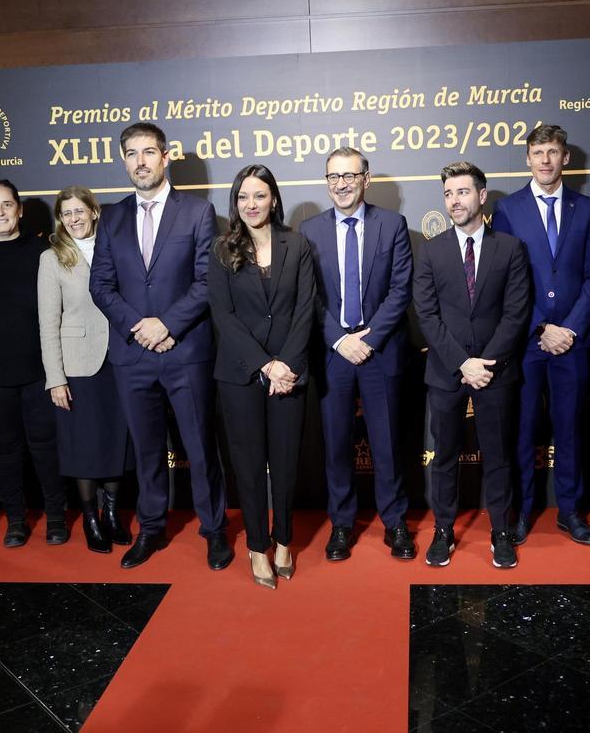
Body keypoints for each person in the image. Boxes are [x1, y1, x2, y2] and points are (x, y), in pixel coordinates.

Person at [89, 123, 232, 570]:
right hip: (133, 355)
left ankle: (214, 532)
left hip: (185, 350)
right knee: (147, 448)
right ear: (124, 160)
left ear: (165, 156)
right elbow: (101, 285)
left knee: (199, 445)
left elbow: (209, 281)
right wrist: (139, 327)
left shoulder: (197, 212)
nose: (140, 162)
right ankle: (151, 529)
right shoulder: (110, 217)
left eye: (148, 152)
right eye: (131, 154)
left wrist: (167, 324)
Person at [490, 124, 590, 546]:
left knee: (571, 428)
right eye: (538, 152)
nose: (545, 159)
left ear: (565, 157)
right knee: (522, 428)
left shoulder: (587, 209)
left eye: (553, 151)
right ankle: (520, 511)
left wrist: (569, 328)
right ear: (527, 158)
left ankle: (570, 511)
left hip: (573, 341)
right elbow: (503, 278)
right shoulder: (508, 209)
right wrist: (540, 325)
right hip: (525, 340)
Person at [301, 147, 415, 562]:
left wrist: (370, 338)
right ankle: (342, 523)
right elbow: (308, 295)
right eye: (333, 177)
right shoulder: (309, 230)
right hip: (333, 352)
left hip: (380, 350)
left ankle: (395, 522)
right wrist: (338, 339)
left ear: (365, 178)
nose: (342, 184)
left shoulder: (393, 224)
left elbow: (401, 289)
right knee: (335, 444)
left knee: (386, 443)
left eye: (350, 175)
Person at [414, 162, 530, 569]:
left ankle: (501, 532)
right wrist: (463, 363)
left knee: (498, 456)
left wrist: (485, 364)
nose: (454, 201)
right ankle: (443, 531)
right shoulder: (431, 251)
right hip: (447, 372)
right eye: (448, 194)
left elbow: (516, 314)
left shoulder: (510, 249)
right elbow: (427, 316)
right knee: (444, 455)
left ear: (482, 196)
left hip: (496, 373)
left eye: (462, 192)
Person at [208, 165, 316, 589]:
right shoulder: (221, 249)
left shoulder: (298, 244)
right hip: (240, 376)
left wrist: (286, 365)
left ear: (273, 199)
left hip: (290, 374)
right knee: (250, 466)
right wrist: (265, 364)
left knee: (286, 465)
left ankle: (284, 540)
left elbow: (305, 308)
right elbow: (224, 316)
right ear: (235, 204)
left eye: (259, 196)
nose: (251, 205)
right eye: (242, 197)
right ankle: (256, 547)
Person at [0, 179, 69, 548]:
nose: (0, 212)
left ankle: (55, 518)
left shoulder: (44, 253)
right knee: (3, 451)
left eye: (7, 205)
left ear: (19, 210)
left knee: (46, 447)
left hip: (39, 371)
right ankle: (15, 520)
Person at [38, 186, 135, 553]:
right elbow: (48, 323)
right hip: (77, 363)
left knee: (116, 442)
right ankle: (92, 520)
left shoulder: (118, 249)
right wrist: (56, 378)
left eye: (80, 211)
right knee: (84, 446)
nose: (74, 219)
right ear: (60, 220)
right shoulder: (52, 259)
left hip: (121, 358)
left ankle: (112, 514)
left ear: (94, 212)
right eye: (67, 214)